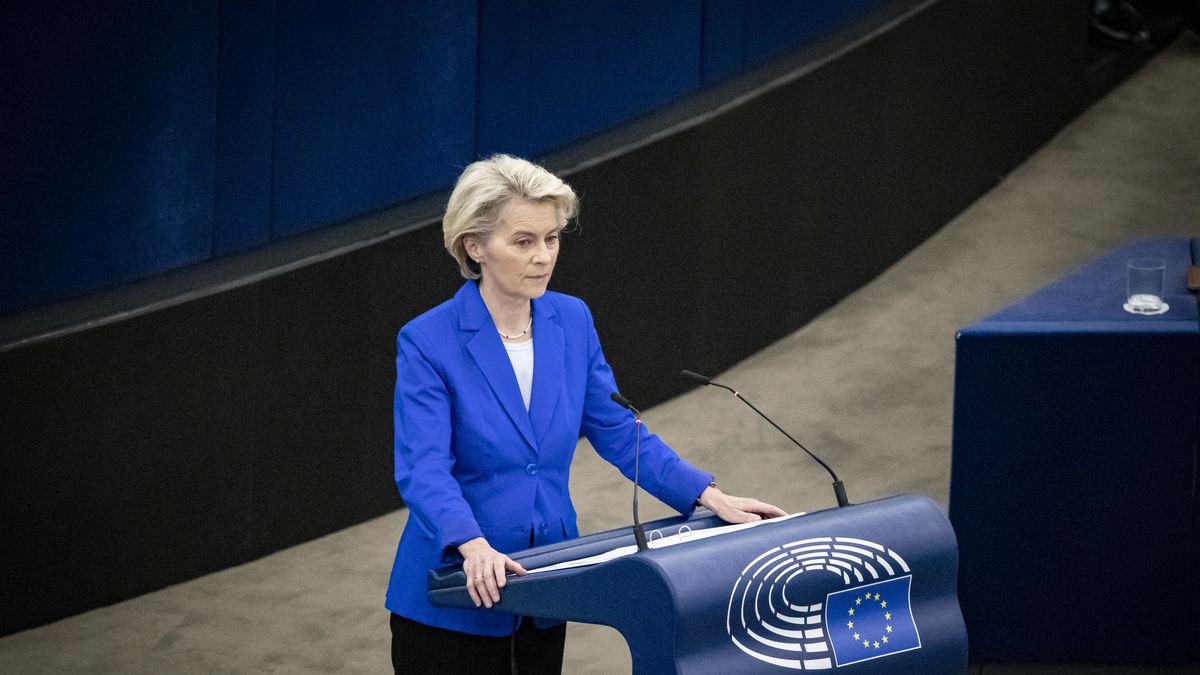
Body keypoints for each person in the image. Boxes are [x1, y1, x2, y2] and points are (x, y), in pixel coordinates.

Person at [384, 154, 786, 674]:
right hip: (453, 597)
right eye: (523, 241)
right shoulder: (427, 340)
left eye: (551, 239)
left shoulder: (571, 320)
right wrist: (472, 543)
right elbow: (424, 468)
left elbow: (618, 430)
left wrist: (707, 496)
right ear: (474, 246)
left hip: (546, 588)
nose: (543, 256)